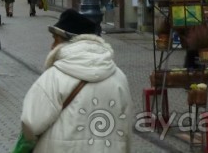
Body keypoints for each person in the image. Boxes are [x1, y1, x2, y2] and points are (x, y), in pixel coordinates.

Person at [20, 8, 132, 151]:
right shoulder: (118, 78)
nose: (52, 46)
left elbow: (31, 123)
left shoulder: (54, 77)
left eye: (55, 40)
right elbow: (126, 126)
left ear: (69, 42)